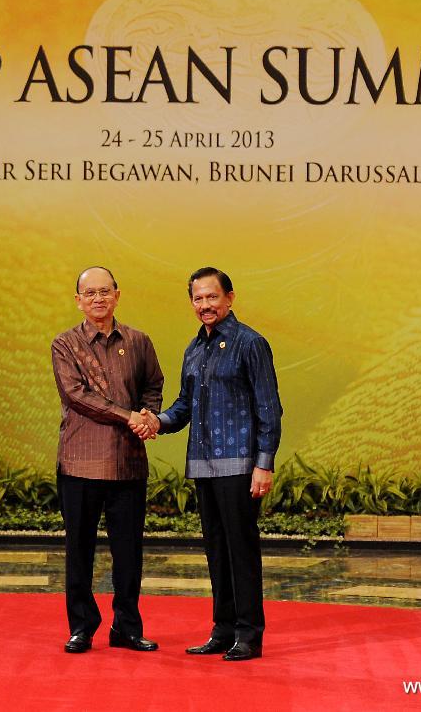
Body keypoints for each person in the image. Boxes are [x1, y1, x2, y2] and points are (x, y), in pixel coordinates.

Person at [138, 267, 282, 661]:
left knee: (241, 551)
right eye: (198, 299)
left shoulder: (250, 343)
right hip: (203, 465)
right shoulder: (194, 349)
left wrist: (263, 464)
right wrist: (158, 421)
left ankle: (249, 634)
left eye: (212, 297)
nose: (205, 305)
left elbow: (269, 409)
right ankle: (223, 630)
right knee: (216, 551)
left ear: (230, 298)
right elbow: (185, 406)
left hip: (239, 465)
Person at [51, 266, 164, 654]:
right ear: (78, 300)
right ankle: (82, 627)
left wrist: (149, 416)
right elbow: (76, 395)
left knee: (129, 552)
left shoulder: (139, 341)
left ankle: (127, 627)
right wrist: (129, 416)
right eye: (90, 293)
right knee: (79, 551)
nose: (98, 299)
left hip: (128, 463)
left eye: (105, 291)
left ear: (117, 294)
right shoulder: (64, 344)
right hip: (80, 463)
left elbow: (153, 384)